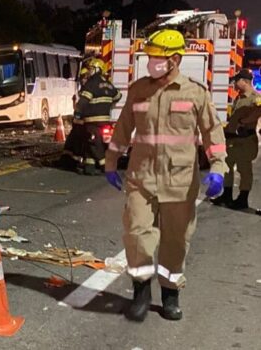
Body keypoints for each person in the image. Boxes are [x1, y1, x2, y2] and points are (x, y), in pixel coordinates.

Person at [104, 29, 227, 322]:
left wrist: (218, 169)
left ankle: (170, 293)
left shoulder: (195, 92)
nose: (151, 62)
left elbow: (212, 133)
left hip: (180, 181)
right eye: (150, 57)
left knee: (176, 240)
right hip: (141, 177)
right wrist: (110, 162)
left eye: (157, 58)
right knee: (136, 234)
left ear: (174, 59)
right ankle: (141, 291)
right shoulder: (138, 90)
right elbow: (122, 129)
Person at [211, 68, 261, 210]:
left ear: (245, 81)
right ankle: (226, 196)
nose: (234, 84)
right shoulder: (239, 97)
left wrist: (244, 122)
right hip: (233, 140)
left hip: (245, 140)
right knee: (227, 167)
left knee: (244, 169)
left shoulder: (254, 97)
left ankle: (242, 199)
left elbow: (259, 109)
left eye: (237, 81)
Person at [73, 58, 121, 175]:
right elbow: (118, 96)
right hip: (105, 120)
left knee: (93, 143)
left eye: (91, 69)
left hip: (92, 121)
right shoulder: (108, 84)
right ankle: (89, 167)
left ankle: (105, 165)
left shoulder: (91, 84)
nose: (89, 72)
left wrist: (77, 113)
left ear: (98, 69)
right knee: (91, 142)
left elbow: (83, 101)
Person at [63, 67, 91, 170]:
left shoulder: (88, 91)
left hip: (83, 122)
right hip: (78, 122)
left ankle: (78, 160)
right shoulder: (81, 91)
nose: (83, 80)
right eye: (82, 78)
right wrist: (73, 102)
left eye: (84, 78)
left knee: (80, 143)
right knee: (73, 141)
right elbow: (78, 107)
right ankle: (71, 160)